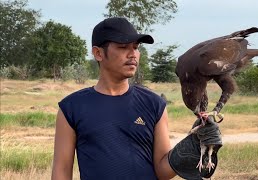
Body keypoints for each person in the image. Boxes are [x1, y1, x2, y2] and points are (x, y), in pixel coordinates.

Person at [51, 17, 222, 180]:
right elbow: (62, 169)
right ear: (98, 53)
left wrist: (191, 145)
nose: (133, 54)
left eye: (136, 47)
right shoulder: (72, 108)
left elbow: (162, 172)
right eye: (123, 47)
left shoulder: (154, 104)